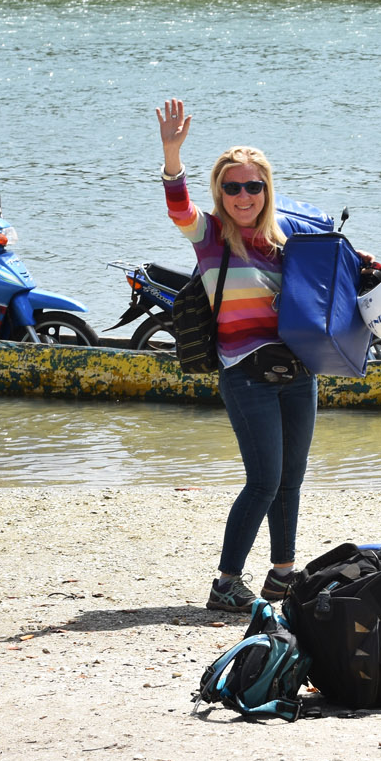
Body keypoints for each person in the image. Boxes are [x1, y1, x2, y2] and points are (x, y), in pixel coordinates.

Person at [155, 98, 317, 613]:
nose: (243, 195)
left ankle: (282, 576)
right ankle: (226, 583)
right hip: (244, 374)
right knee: (264, 480)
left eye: (253, 186)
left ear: (267, 190)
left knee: (291, 478)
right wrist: (172, 154)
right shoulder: (210, 236)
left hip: (298, 370)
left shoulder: (288, 238)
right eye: (232, 187)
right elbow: (178, 207)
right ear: (219, 193)